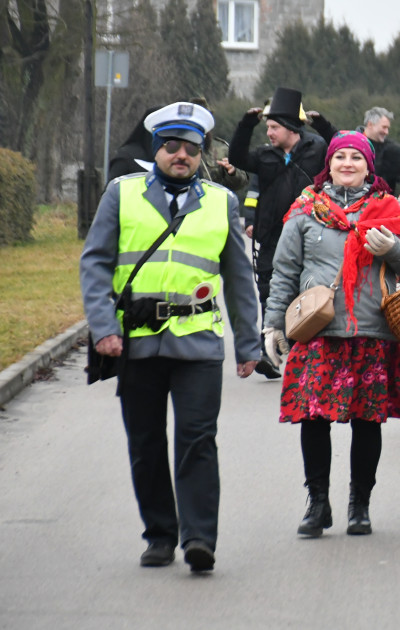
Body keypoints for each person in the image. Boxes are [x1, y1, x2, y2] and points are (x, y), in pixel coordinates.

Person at [79, 101, 263, 572]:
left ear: (202, 154)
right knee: (145, 441)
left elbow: (239, 280)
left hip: (198, 340)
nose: (180, 155)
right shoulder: (122, 194)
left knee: (197, 440)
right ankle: (160, 534)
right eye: (171, 146)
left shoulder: (221, 202)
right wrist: (102, 328)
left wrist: (248, 345)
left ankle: (200, 537)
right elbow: (95, 263)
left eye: (190, 148)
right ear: (157, 149)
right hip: (135, 342)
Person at [263, 130, 400, 538]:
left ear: (369, 166)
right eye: (341, 158)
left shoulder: (387, 208)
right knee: (313, 419)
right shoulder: (304, 210)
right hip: (318, 331)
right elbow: (284, 272)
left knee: (366, 422)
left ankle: (360, 505)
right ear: (329, 165)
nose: (348, 164)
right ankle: (318, 502)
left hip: (371, 332)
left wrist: (391, 248)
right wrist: (272, 324)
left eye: (357, 157)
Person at [228, 87, 335, 379]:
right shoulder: (265, 155)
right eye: (267, 127)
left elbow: (342, 147)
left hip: (311, 232)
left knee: (305, 290)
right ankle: (269, 350)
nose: (270, 133)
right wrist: (246, 124)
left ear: (290, 128)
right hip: (271, 235)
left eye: (274, 127)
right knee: (268, 290)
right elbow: (236, 157)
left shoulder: (317, 149)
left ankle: (303, 347)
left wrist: (323, 125)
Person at [357, 106, 400, 192]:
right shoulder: (349, 145)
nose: (387, 132)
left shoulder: (392, 150)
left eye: (388, 128)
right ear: (370, 124)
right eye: (384, 127)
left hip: (383, 203)